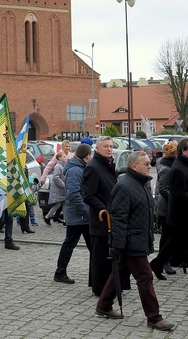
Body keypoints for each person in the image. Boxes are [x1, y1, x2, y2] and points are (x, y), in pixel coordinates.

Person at [95, 152, 175, 332]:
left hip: (139, 238)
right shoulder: (123, 186)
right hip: (131, 241)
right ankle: (154, 317)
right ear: (134, 166)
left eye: (150, 163)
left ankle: (104, 305)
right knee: (145, 276)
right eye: (146, 163)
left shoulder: (143, 183)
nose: (150, 166)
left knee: (121, 272)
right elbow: (118, 218)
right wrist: (117, 245)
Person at [82, 135, 117, 297]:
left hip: (111, 218)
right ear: (98, 148)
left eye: (111, 146)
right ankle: (99, 287)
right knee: (100, 255)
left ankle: (109, 285)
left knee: (107, 254)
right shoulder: (93, 167)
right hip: (101, 218)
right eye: (106, 146)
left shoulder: (108, 164)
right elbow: (88, 195)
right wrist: (104, 209)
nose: (109, 149)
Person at [54, 143, 92, 284]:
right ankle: (60, 273)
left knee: (92, 246)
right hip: (78, 215)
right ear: (87, 156)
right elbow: (73, 194)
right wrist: (85, 211)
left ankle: (96, 274)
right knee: (70, 244)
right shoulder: (76, 170)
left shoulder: (80, 167)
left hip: (81, 215)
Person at [151, 137, 188, 279]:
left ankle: (158, 263)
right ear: (184, 151)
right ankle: (157, 263)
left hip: (182, 213)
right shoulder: (178, 168)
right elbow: (179, 195)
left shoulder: (182, 165)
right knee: (173, 241)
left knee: (174, 241)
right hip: (180, 214)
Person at [149, 141, 178, 279]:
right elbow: (164, 189)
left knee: (170, 235)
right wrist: (174, 201)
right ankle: (163, 262)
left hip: (168, 206)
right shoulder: (166, 167)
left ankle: (168, 260)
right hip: (165, 207)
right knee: (166, 235)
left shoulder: (172, 165)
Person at [44, 150, 66, 226]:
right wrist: (64, 185)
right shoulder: (58, 166)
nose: (65, 158)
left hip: (62, 189)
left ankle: (66, 220)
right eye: (63, 156)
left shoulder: (63, 165)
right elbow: (55, 178)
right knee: (58, 204)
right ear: (59, 158)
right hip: (59, 189)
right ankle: (48, 216)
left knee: (63, 204)